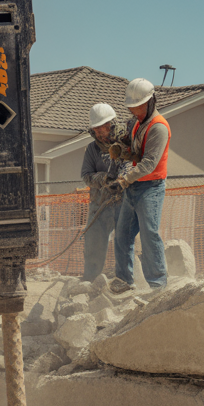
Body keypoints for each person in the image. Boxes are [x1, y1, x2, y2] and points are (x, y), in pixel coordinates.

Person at [108, 78, 170, 294]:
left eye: (138, 107)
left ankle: (158, 284)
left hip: (150, 187)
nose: (135, 112)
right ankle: (125, 280)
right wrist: (122, 150)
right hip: (134, 187)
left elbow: (149, 163)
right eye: (131, 108)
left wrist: (124, 179)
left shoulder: (159, 127)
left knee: (149, 234)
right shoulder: (136, 123)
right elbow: (136, 154)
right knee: (123, 234)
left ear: (151, 102)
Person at [80, 103, 124, 282]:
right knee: (94, 242)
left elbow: (134, 165)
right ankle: (91, 280)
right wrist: (104, 179)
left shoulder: (125, 144)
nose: (99, 133)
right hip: (100, 204)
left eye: (102, 128)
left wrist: (122, 179)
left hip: (124, 202)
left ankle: (127, 279)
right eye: (96, 129)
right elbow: (86, 175)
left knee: (125, 242)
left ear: (111, 125)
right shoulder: (92, 149)